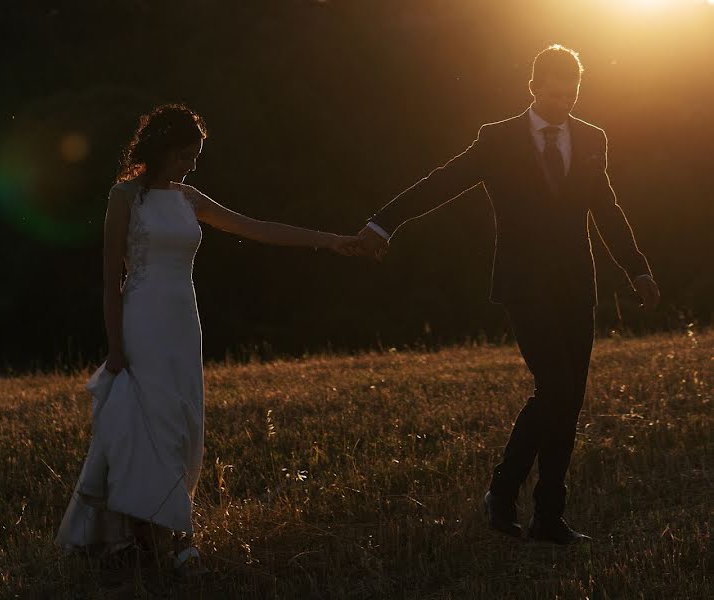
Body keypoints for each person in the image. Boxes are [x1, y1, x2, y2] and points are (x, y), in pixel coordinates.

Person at [353, 45, 661, 544]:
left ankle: (549, 516)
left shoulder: (591, 138)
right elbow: (442, 183)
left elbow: (605, 208)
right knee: (555, 388)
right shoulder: (497, 140)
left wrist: (638, 270)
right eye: (555, 93)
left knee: (571, 400)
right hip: (524, 284)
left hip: (576, 287)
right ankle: (502, 491)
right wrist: (383, 222)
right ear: (534, 87)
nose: (564, 103)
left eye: (572, 94)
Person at [55, 103, 358, 573]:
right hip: (143, 320)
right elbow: (110, 278)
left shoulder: (189, 199)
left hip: (183, 323)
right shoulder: (124, 197)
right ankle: (170, 539)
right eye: (183, 155)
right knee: (147, 422)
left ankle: (156, 534)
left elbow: (257, 228)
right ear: (158, 151)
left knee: (182, 421)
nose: (190, 164)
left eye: (194, 156)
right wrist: (115, 347)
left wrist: (332, 239)